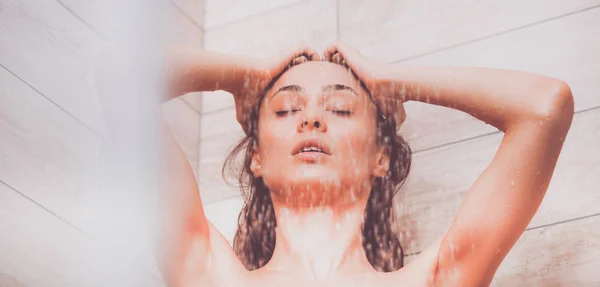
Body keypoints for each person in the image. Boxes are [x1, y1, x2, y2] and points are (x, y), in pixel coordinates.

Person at [151, 41, 574, 286]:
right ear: (257, 157)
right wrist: (241, 75)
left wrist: (397, 83)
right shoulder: (209, 273)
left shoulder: (433, 280)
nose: (311, 120)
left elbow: (544, 107)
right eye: (285, 110)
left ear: (380, 157)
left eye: (339, 108)